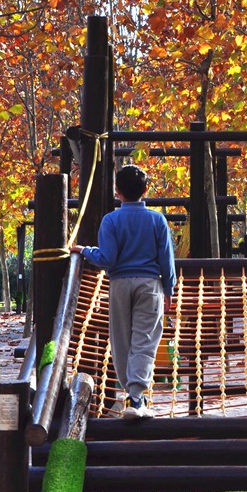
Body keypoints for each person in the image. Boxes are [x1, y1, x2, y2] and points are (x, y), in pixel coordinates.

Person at [72, 164, 176, 420]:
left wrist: (85, 250)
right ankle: (136, 396)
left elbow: (107, 258)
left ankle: (130, 393)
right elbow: (167, 260)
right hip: (149, 284)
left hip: (119, 284)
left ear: (117, 191)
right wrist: (168, 289)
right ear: (146, 190)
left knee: (120, 341)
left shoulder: (111, 220)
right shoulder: (157, 220)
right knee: (145, 340)